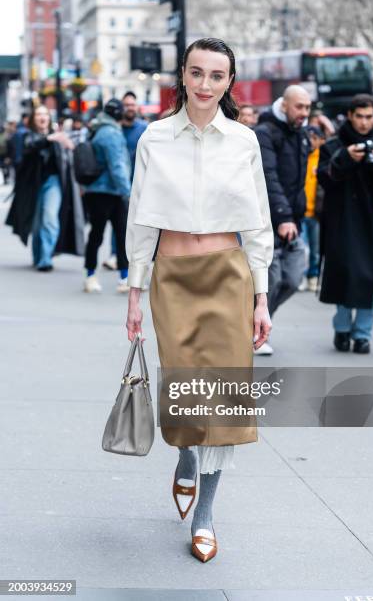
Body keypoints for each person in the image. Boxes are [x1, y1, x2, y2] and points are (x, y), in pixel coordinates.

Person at [125, 37, 273, 562]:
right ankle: (187, 456)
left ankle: (206, 515)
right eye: (197, 73)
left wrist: (261, 296)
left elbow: (257, 221)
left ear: (229, 82)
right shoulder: (155, 138)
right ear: (182, 77)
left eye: (217, 76)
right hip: (173, 277)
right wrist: (135, 291)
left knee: (224, 399)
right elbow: (141, 214)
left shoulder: (244, 142)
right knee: (186, 390)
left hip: (229, 275)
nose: (205, 84)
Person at [317, 94, 373, 354]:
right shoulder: (334, 145)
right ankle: (342, 330)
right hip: (342, 222)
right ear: (351, 116)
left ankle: (363, 335)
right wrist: (345, 159)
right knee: (345, 277)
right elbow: (324, 178)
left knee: (368, 279)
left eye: (369, 117)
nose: (364, 123)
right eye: (360, 117)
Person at [254, 85, 311, 354]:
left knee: (293, 278)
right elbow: (269, 177)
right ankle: (254, 332)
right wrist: (284, 216)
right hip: (269, 220)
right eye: (299, 107)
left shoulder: (301, 135)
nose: (304, 113)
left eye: (308, 107)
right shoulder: (265, 133)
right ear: (285, 105)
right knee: (272, 280)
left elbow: (298, 183)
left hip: (292, 223)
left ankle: (259, 325)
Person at [5, 105, 85, 270]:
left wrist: (69, 146)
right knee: (36, 224)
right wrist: (49, 139)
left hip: (53, 182)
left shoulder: (57, 136)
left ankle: (45, 258)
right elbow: (29, 148)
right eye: (39, 114)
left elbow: (70, 157)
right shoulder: (27, 135)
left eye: (45, 114)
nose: (42, 118)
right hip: (32, 185)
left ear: (49, 118)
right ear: (34, 118)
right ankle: (38, 256)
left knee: (49, 219)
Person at [83, 98, 131, 293]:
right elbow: (117, 165)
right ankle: (124, 278)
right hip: (111, 191)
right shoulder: (111, 133)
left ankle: (90, 275)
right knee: (121, 236)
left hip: (96, 191)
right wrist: (127, 191)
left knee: (96, 234)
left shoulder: (97, 128)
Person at [103, 91, 148, 272]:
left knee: (140, 223)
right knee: (119, 221)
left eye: (132, 104)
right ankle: (116, 254)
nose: (130, 108)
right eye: (126, 105)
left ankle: (136, 257)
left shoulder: (145, 128)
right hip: (119, 184)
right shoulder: (114, 129)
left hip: (142, 182)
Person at [298, 125, 326, 292]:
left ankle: (313, 277)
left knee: (315, 250)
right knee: (301, 249)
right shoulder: (301, 155)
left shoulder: (323, 157)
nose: (311, 142)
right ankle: (301, 276)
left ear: (321, 140)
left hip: (316, 212)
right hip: (301, 211)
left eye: (315, 138)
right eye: (309, 138)